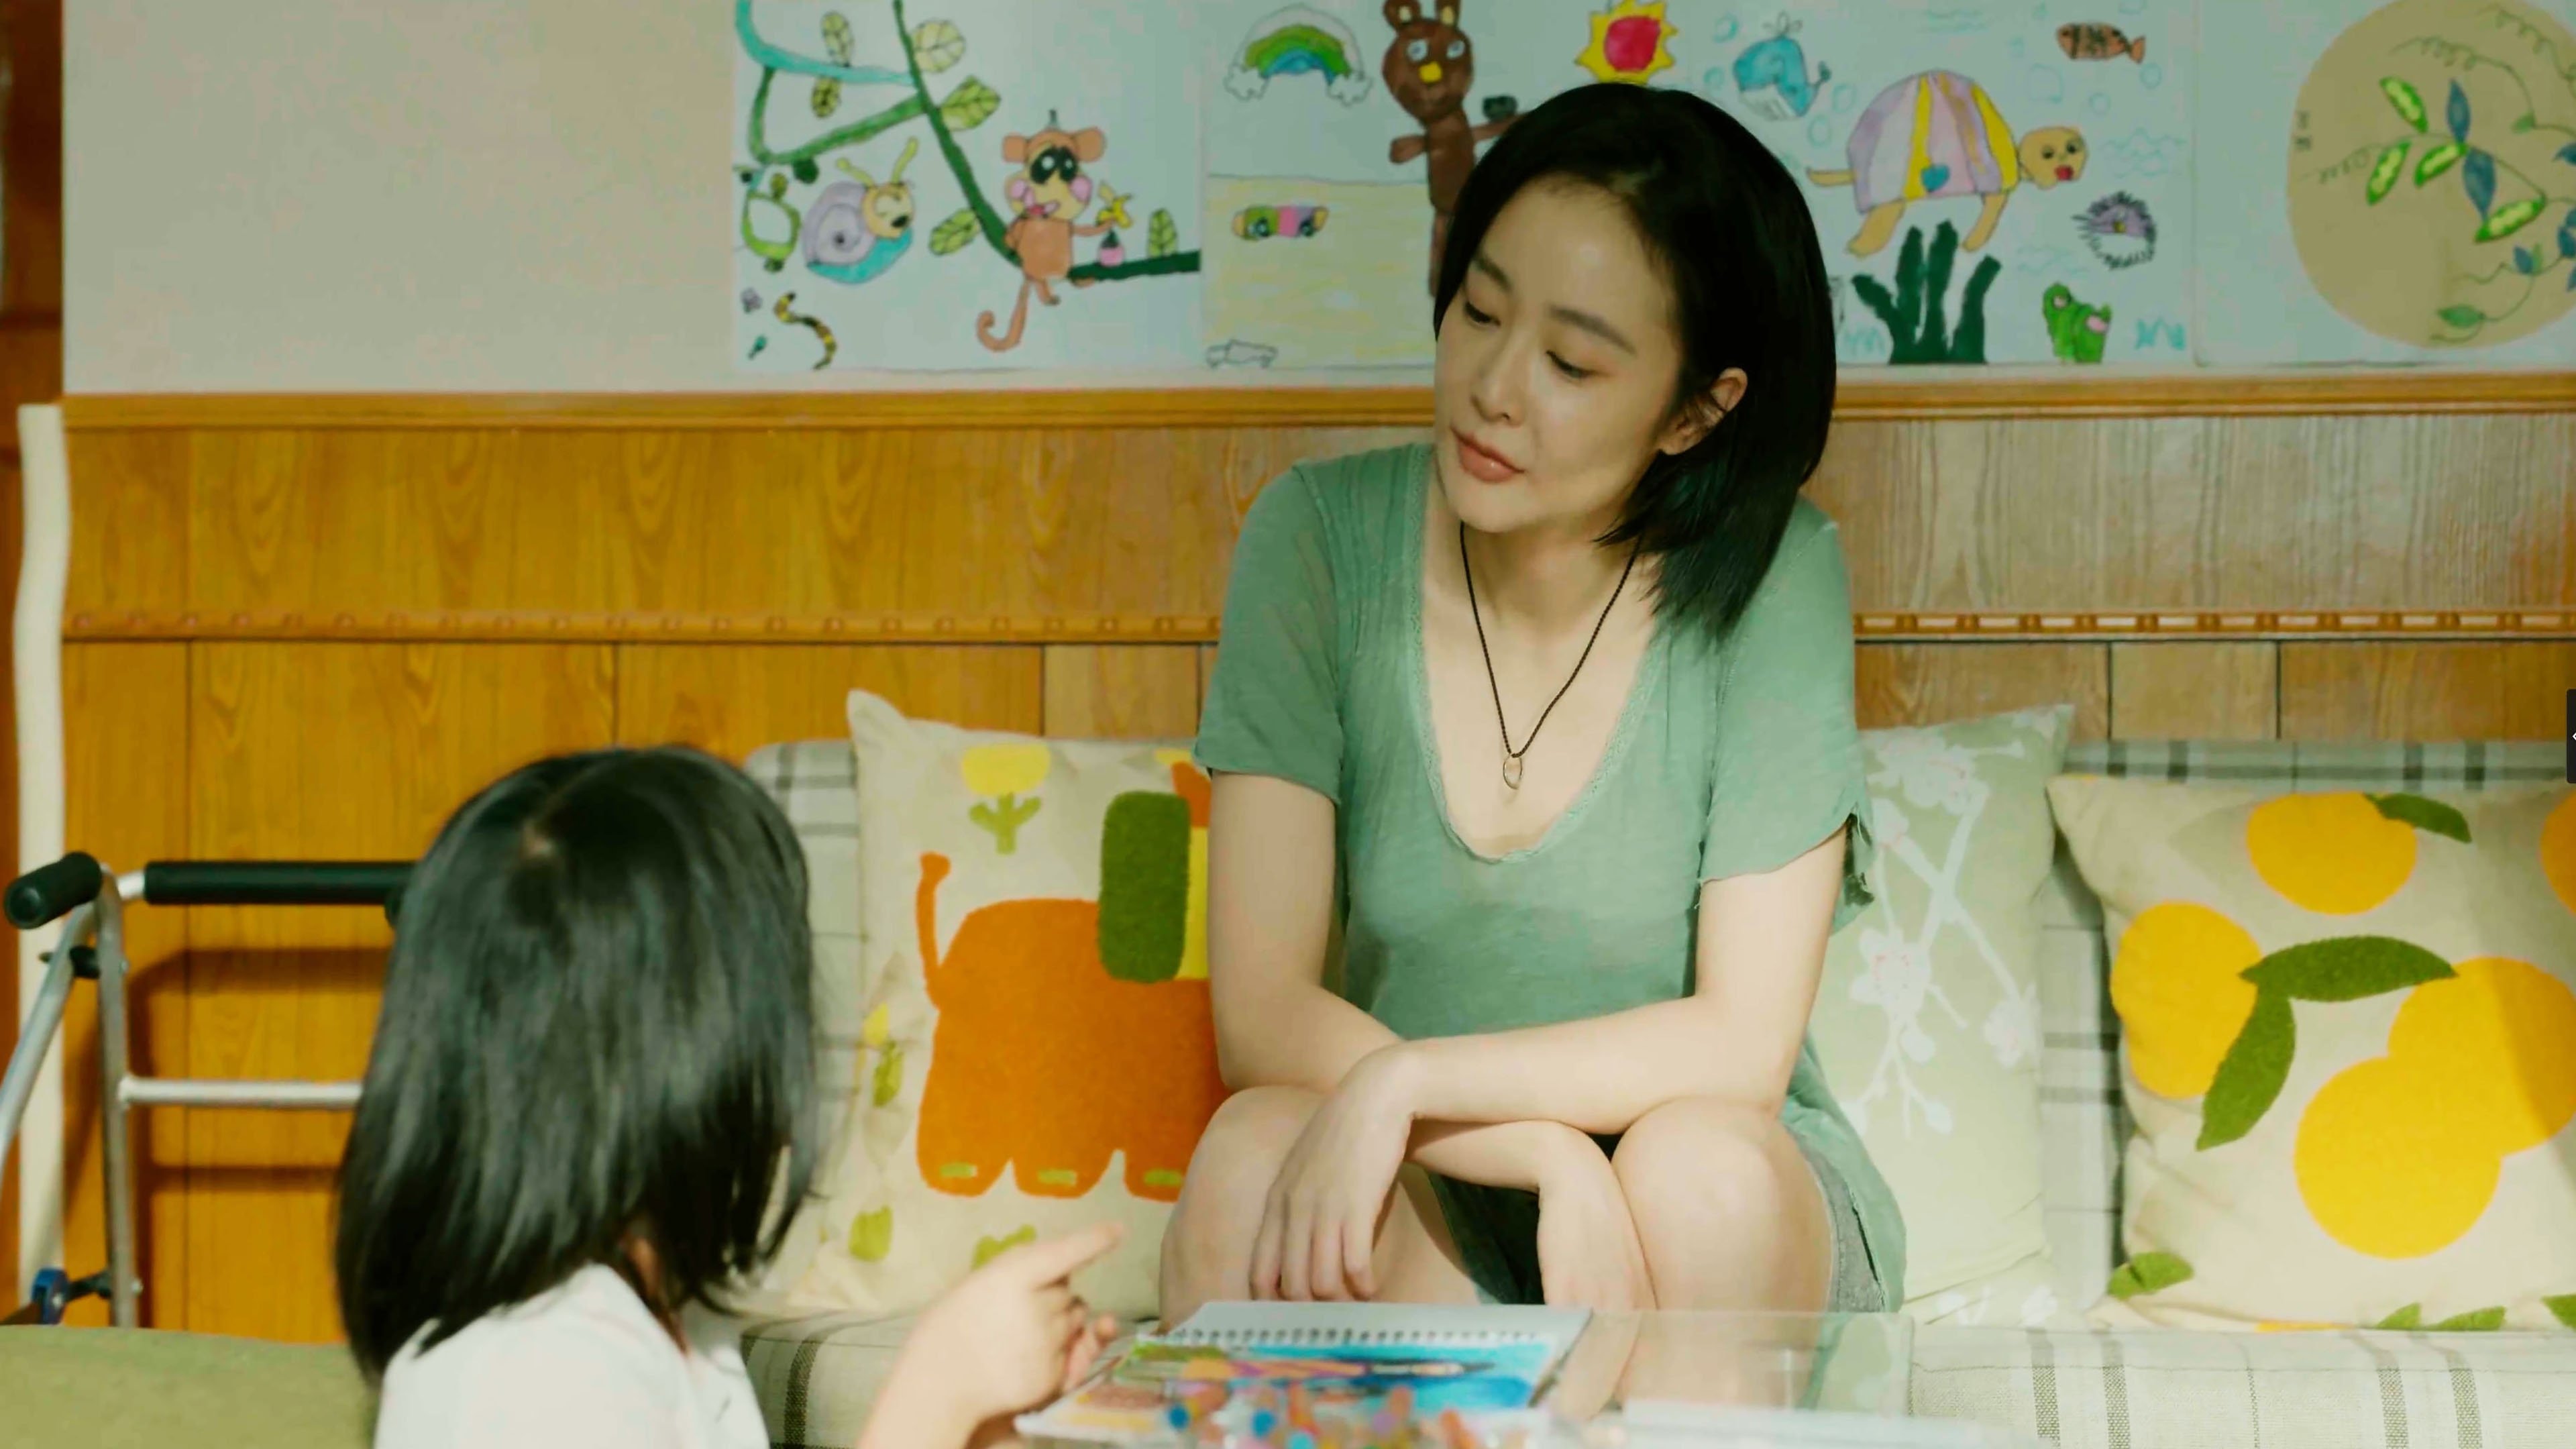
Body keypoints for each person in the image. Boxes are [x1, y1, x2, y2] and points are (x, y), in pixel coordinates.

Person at [1163, 82, 1904, 1323]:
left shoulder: (1778, 571)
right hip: (1426, 1169)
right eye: (1479, 309)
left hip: (1710, 1199)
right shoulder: (1317, 540)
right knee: (1251, 1159)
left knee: (1695, 1176)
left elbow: (1738, 1045)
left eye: (1570, 362)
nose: (1493, 387)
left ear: (1696, 410)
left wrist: (1417, 1080)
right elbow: (1264, 1012)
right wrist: (1541, 1151)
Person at [335, 746, 1122, 1449]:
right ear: (701, 1048)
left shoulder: (669, 1323)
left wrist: (981, 1424)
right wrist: (934, 1394)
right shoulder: (532, 1368)